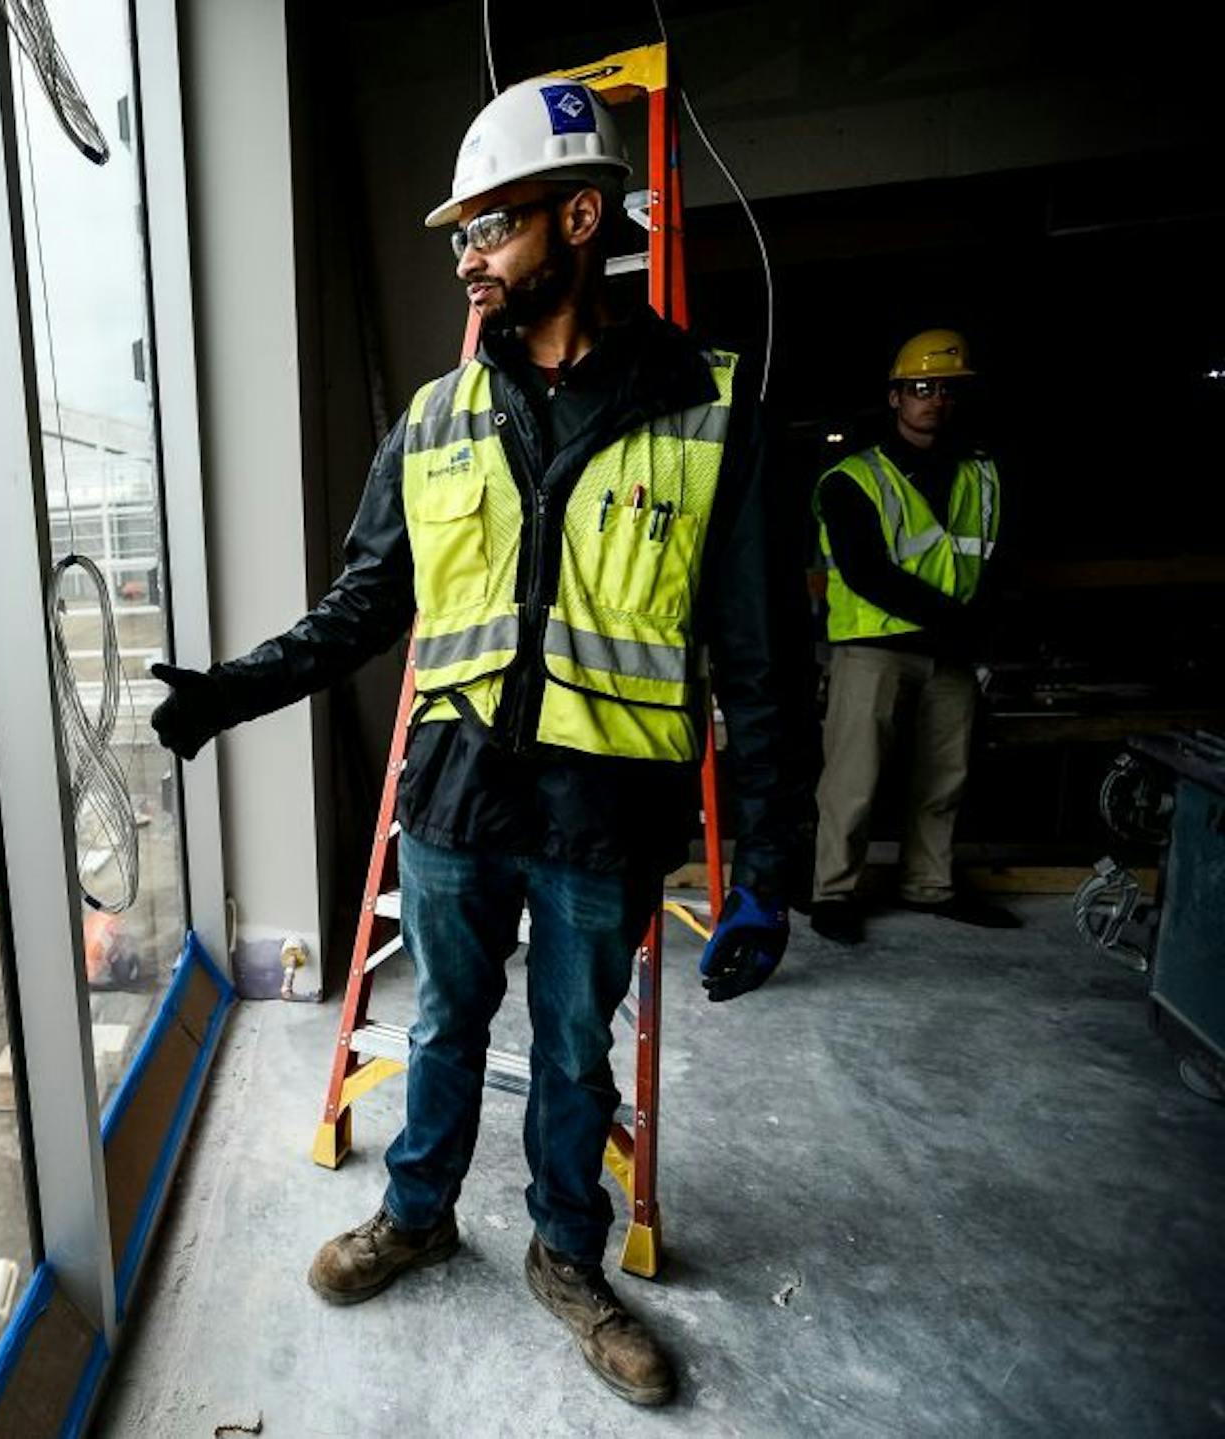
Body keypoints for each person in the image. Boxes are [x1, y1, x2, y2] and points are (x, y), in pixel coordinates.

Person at [148, 75, 811, 1407]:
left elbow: (763, 660)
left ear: (578, 218)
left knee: (572, 1046)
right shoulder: (436, 419)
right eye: (457, 237)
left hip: (603, 809)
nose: (466, 258)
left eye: (490, 229)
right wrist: (233, 689)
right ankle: (421, 1210)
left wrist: (769, 861)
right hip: (455, 798)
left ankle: (568, 1255)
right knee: (445, 1022)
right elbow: (362, 607)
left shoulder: (706, 408)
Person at [809, 330, 1015, 945]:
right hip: (874, 646)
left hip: (949, 652)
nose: (935, 400)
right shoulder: (853, 478)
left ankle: (929, 885)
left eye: (947, 390)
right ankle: (833, 892)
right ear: (896, 397)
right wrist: (960, 623)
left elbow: (995, 559)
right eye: (922, 388)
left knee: (943, 777)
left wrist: (981, 630)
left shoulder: (980, 472)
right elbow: (867, 572)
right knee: (853, 778)